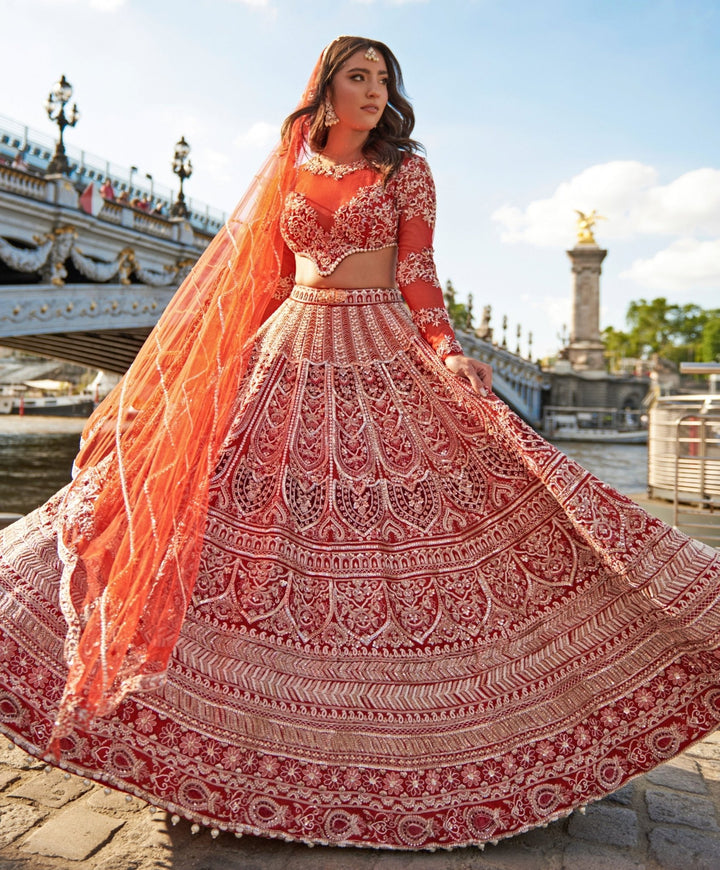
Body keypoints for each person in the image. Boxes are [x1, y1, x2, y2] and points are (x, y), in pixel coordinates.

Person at [0, 36, 719, 853]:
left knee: (426, 523)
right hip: (288, 351)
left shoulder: (406, 169)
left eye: (384, 80)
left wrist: (448, 352)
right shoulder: (291, 164)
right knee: (247, 529)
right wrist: (199, 374)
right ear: (326, 88)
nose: (375, 92)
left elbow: (419, 271)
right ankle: (225, 749)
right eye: (359, 77)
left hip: (382, 346)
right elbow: (263, 275)